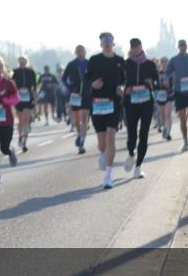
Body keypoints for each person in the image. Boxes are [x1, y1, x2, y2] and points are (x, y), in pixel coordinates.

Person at [84, 33, 126, 189]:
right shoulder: (94, 60)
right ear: (101, 44)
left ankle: (108, 176)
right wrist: (92, 84)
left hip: (114, 103)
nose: (107, 43)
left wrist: (122, 87)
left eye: (109, 41)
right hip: (97, 104)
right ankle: (102, 154)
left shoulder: (119, 61)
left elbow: (124, 79)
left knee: (111, 138)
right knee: (102, 143)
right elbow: (86, 78)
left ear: (113, 44)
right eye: (104, 41)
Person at [122, 38, 158, 179]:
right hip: (130, 103)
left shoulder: (150, 64)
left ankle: (138, 166)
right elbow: (120, 81)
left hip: (146, 103)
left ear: (141, 47)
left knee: (144, 134)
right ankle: (131, 153)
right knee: (132, 134)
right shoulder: (126, 64)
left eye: (137, 46)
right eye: (132, 47)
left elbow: (157, 81)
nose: (135, 49)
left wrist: (151, 83)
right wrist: (125, 89)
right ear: (130, 48)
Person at [164, 39, 188, 152]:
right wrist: (166, 79)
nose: (182, 47)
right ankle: (185, 141)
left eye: (184, 45)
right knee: (182, 120)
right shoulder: (173, 60)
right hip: (179, 92)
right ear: (178, 47)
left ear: (186, 46)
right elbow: (167, 72)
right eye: (180, 45)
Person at [62, 45, 91, 154]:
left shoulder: (89, 63)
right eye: (78, 51)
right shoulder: (71, 64)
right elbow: (64, 78)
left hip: (87, 94)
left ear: (85, 51)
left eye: (82, 50)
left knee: (84, 119)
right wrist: (70, 88)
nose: (80, 52)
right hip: (75, 95)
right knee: (77, 119)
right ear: (75, 52)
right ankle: (79, 133)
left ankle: (82, 143)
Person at [11, 56, 37, 152]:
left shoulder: (31, 72)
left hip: (28, 97)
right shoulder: (15, 72)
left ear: (26, 62)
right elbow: (12, 84)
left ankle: (25, 141)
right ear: (18, 62)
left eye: (23, 61)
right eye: (20, 61)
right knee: (21, 121)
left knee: (26, 120)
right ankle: (20, 136)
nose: (22, 62)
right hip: (18, 98)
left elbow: (35, 86)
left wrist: (35, 97)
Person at [155, 56, 174, 140]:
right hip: (161, 95)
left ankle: (168, 132)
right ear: (160, 63)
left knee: (168, 114)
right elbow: (155, 84)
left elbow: (175, 83)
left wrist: (170, 86)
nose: (164, 63)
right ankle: (165, 128)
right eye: (162, 61)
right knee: (163, 115)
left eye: (165, 61)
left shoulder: (172, 72)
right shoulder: (158, 73)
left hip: (170, 95)